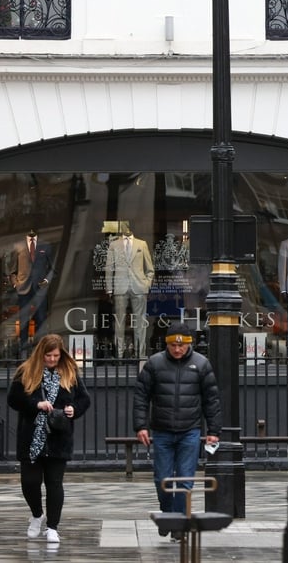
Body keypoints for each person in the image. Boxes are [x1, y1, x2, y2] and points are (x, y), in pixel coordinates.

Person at [133, 322, 222, 538]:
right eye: (173, 345)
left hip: (189, 430)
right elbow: (141, 396)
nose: (177, 349)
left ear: (189, 344)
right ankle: (168, 514)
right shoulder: (155, 363)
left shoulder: (201, 364)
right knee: (162, 479)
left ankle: (179, 523)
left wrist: (214, 431)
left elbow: (211, 400)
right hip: (162, 430)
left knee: (185, 480)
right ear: (167, 344)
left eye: (181, 345)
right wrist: (141, 426)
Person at [6, 334, 91, 545]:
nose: (52, 359)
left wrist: (73, 409)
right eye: (48, 355)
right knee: (29, 482)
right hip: (31, 437)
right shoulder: (26, 371)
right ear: (41, 354)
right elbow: (13, 399)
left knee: (54, 483)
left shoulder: (69, 372)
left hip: (58, 437)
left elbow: (84, 399)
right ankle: (37, 514)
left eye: (56, 355)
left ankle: (52, 527)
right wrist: (36, 404)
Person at [105, 224, 155, 358]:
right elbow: (109, 268)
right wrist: (109, 288)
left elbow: (150, 269)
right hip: (120, 286)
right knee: (119, 322)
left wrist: (146, 284)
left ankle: (140, 355)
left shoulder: (142, 244)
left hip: (139, 287)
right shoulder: (114, 245)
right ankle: (119, 355)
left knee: (140, 323)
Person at [6, 229, 56, 354]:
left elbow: (53, 268)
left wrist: (46, 280)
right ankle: (23, 352)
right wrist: (16, 284)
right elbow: (12, 271)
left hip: (40, 289)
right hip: (23, 289)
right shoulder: (18, 246)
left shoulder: (45, 245)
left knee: (41, 319)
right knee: (23, 321)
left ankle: (41, 351)